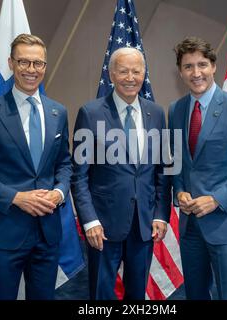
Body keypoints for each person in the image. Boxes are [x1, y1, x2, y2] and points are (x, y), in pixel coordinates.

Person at [0, 34, 71, 300]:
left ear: (45, 66)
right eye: (24, 62)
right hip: (4, 235)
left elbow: (64, 164)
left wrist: (59, 193)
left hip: (47, 234)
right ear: (10, 63)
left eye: (38, 63)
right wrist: (16, 198)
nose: (31, 70)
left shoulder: (59, 112)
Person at [169, 37, 227, 300]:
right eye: (188, 66)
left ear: (213, 66)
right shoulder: (176, 110)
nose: (196, 73)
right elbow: (176, 161)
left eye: (202, 64)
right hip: (190, 227)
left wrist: (216, 199)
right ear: (180, 71)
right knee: (195, 294)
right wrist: (179, 191)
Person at [71, 47, 170, 300]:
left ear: (144, 74)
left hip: (144, 224)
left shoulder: (157, 113)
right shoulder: (90, 113)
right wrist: (90, 220)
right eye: (123, 71)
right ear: (111, 74)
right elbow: (79, 175)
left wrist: (161, 214)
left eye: (136, 71)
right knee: (101, 294)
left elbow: (162, 171)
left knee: (137, 295)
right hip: (102, 226)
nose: (130, 77)